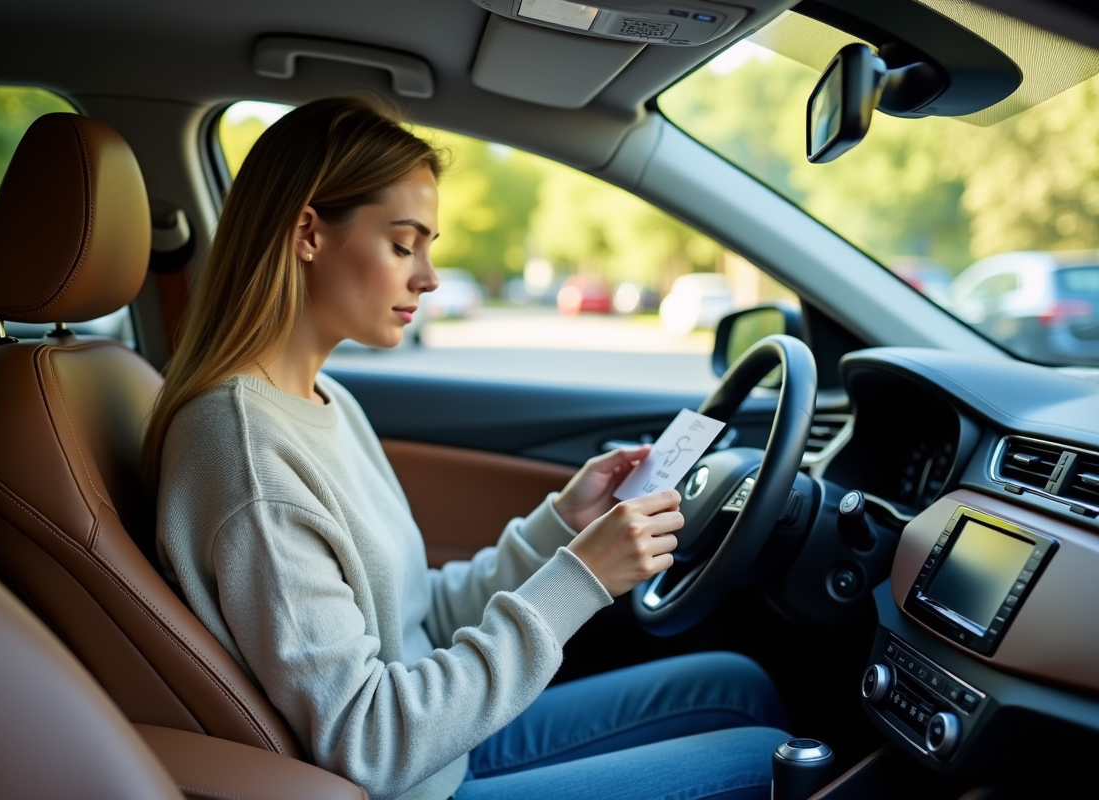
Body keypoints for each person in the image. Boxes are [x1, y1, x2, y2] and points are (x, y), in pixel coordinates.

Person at [144, 97, 789, 800]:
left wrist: (561, 528)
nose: (428, 277)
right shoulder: (245, 452)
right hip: (419, 782)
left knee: (735, 683)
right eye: (402, 244)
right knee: (768, 762)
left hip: (445, 741)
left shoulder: (323, 400)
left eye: (428, 247)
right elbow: (369, 741)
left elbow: (416, 619)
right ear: (307, 233)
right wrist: (582, 578)